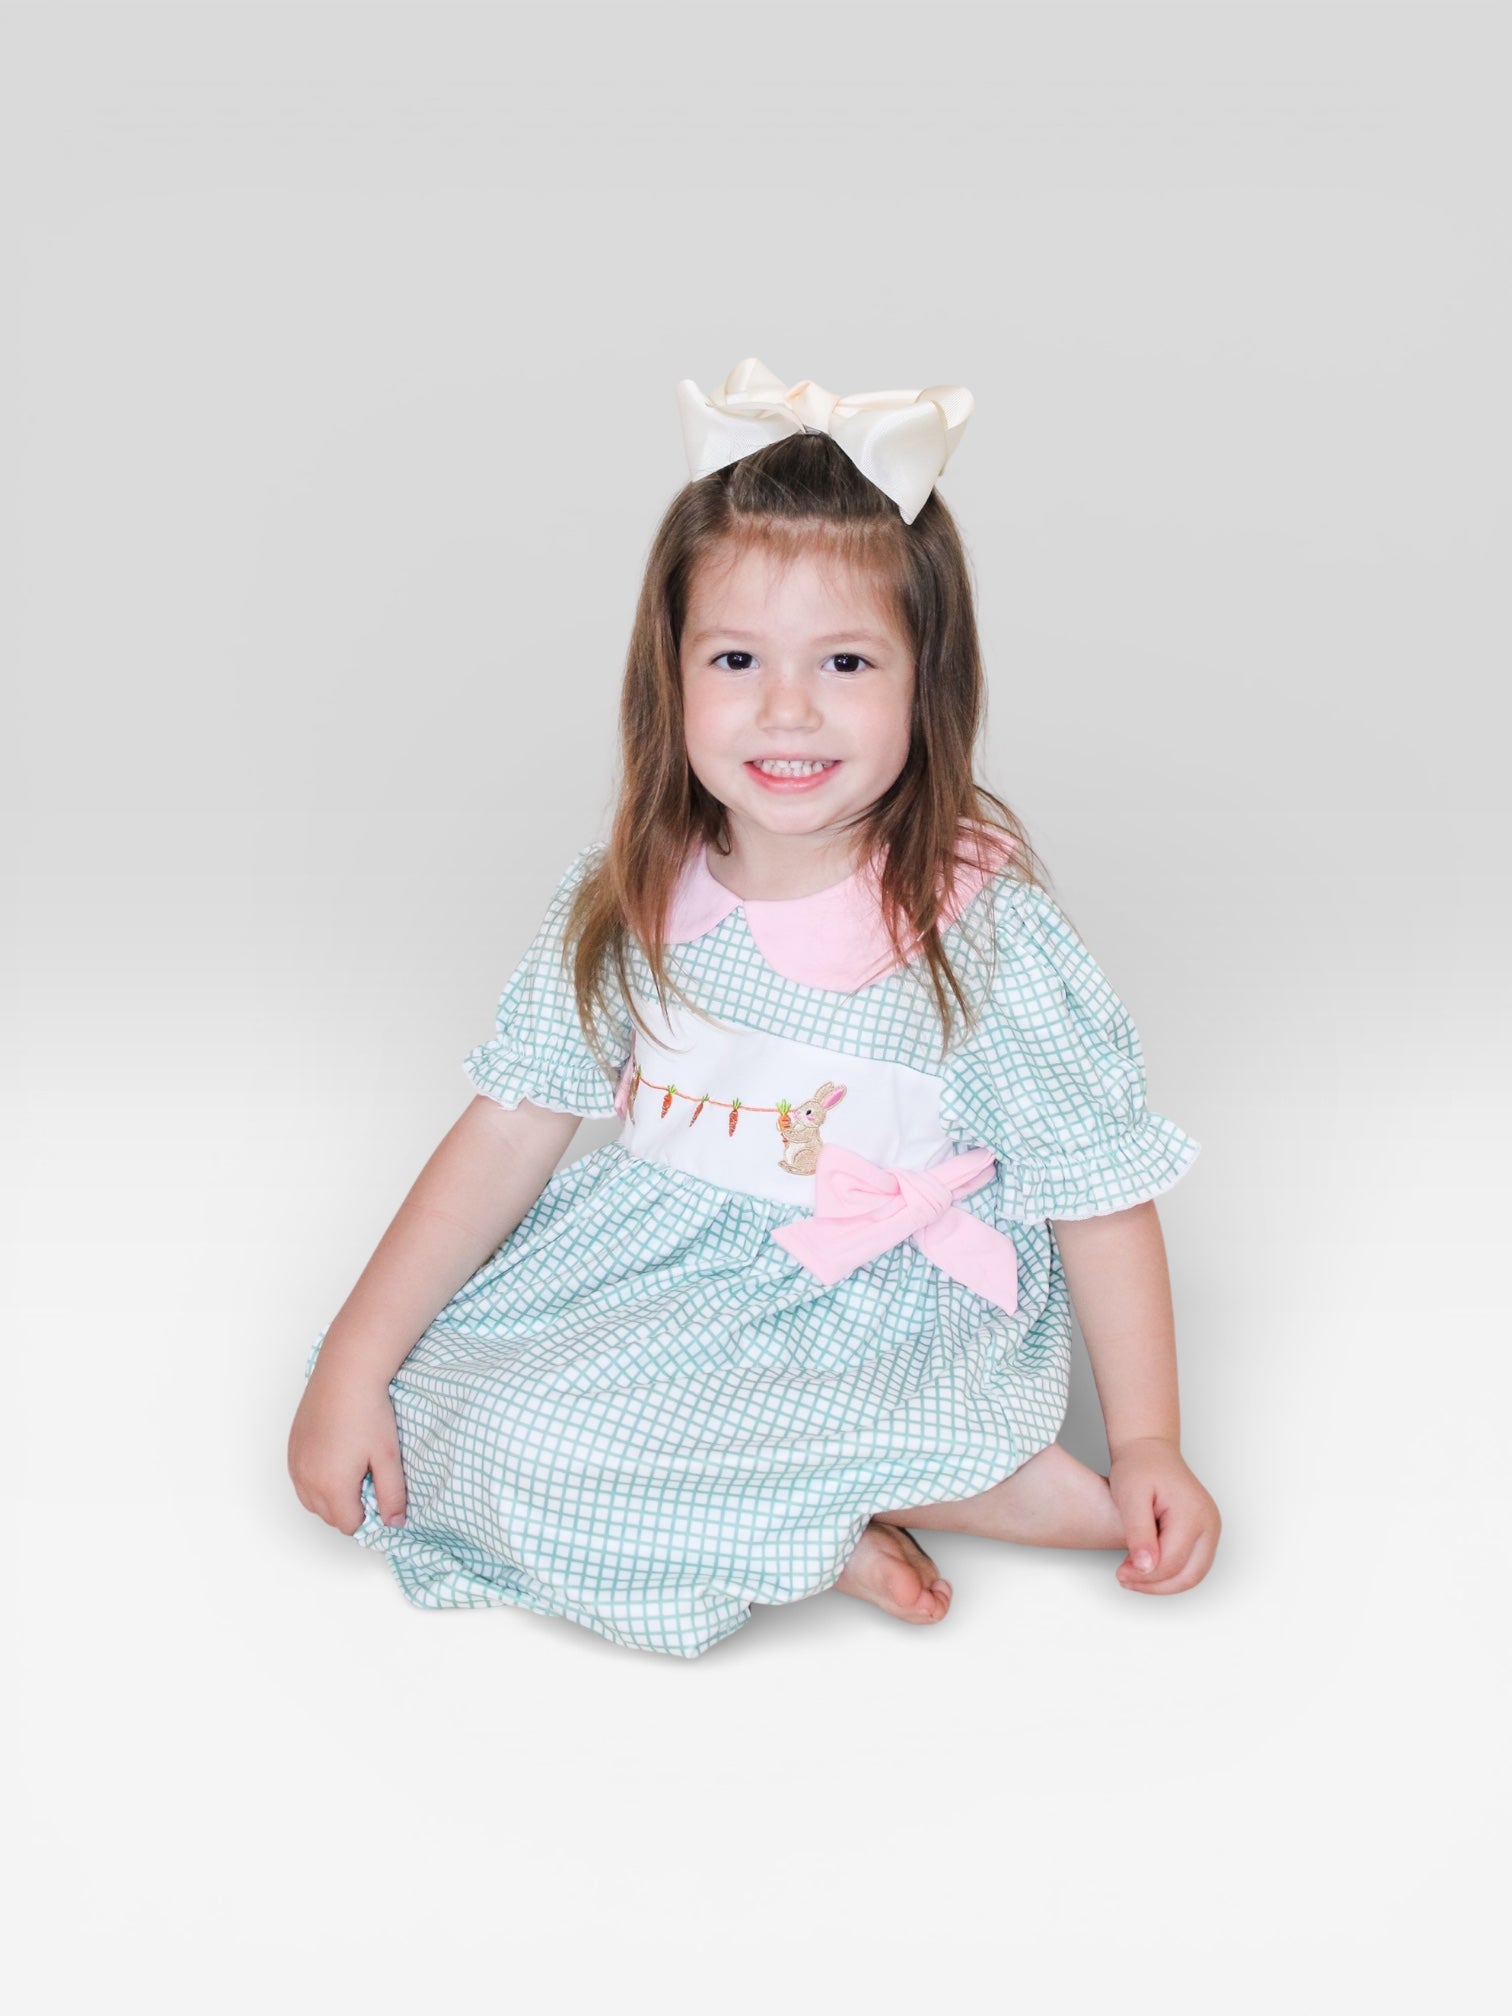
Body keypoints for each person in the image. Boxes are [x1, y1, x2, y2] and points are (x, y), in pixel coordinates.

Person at [287, 356, 1222, 1660]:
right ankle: (825, 1524)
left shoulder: (974, 931)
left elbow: (1095, 1189)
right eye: (737, 657)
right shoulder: (630, 893)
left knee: (571, 1452)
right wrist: (353, 1360)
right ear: (669, 675)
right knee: (437, 1404)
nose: (789, 709)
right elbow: (506, 1132)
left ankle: (938, 1477)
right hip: (659, 1273)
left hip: (865, 1312)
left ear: (927, 681)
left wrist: (1149, 1438)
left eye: (846, 660)